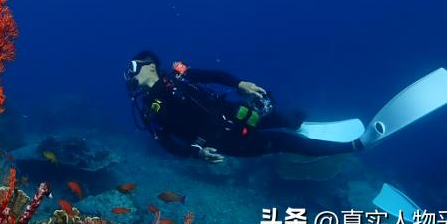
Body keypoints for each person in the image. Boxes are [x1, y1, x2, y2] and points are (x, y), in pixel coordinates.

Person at [124, 51, 363, 162]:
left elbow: (215, 75)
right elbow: (165, 142)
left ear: (151, 66)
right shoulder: (148, 109)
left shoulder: (179, 77)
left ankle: (297, 121)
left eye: (134, 66)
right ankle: (351, 147)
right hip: (224, 141)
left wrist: (241, 84)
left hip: (237, 114)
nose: (130, 73)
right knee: (282, 142)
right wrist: (194, 152)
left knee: (286, 119)